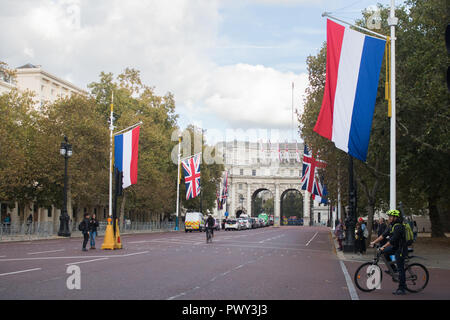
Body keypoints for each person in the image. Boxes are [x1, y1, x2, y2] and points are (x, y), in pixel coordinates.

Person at [370, 209, 408, 295]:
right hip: (395, 247)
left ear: (395, 217)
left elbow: (392, 240)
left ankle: (402, 288)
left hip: (401, 249)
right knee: (384, 253)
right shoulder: (391, 226)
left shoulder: (399, 227)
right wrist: (374, 242)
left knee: (400, 268)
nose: (389, 218)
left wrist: (383, 246)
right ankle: (393, 270)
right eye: (389, 216)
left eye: (391, 216)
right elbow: (383, 235)